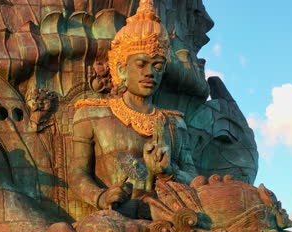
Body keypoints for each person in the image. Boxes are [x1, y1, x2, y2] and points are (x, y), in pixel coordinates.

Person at [70, 0, 197, 218]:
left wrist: (169, 172)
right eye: (141, 64)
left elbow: (194, 179)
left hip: (165, 216)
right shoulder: (91, 114)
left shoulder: (174, 123)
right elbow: (77, 173)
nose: (150, 73)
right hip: (115, 218)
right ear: (121, 69)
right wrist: (101, 197)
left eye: (158, 66)